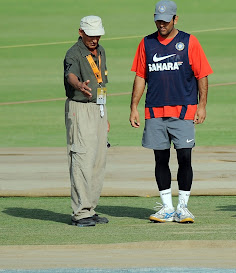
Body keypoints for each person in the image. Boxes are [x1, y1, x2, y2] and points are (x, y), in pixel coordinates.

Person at [129, 1, 213, 223]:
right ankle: (167, 208)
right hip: (154, 111)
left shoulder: (189, 42)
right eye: (158, 20)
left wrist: (202, 105)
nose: (161, 24)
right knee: (160, 159)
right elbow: (140, 76)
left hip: (184, 110)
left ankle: (183, 208)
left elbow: (202, 75)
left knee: (185, 157)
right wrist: (133, 107)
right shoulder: (146, 43)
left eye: (165, 21)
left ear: (175, 19)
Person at [64, 16, 110, 227]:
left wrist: (104, 114)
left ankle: (90, 208)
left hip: (98, 108)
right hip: (80, 108)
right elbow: (70, 75)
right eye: (91, 35)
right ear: (81, 32)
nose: (95, 39)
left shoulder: (101, 51)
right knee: (82, 158)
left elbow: (102, 82)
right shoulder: (73, 53)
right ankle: (80, 213)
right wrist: (79, 85)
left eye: (97, 34)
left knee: (98, 160)